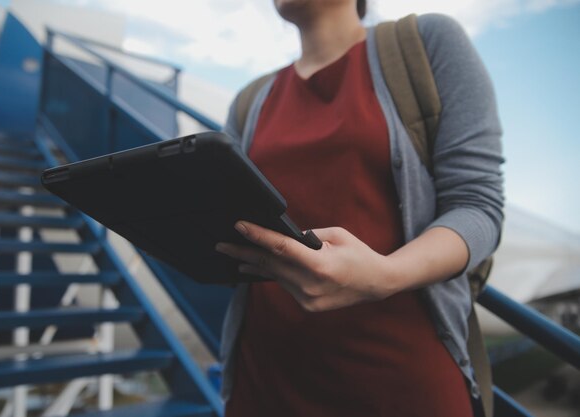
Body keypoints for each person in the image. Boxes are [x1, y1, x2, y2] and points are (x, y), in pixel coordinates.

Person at [215, 0, 504, 416]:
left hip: (401, 386)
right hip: (264, 383)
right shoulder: (250, 101)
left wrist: (386, 275)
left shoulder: (428, 44)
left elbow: (478, 206)